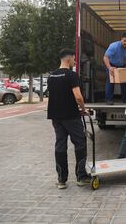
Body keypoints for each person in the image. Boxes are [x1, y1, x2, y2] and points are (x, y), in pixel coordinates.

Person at [47, 49, 91, 189]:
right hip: (71, 116)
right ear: (69, 59)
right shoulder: (71, 75)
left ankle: (61, 180)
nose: (75, 61)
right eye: (74, 59)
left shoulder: (51, 76)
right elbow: (78, 97)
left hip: (56, 117)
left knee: (60, 145)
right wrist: (83, 109)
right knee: (80, 143)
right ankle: (81, 177)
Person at [103, 32, 126, 105]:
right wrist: (109, 67)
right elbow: (105, 57)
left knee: (124, 82)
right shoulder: (113, 46)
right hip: (111, 64)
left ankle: (125, 99)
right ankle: (109, 99)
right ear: (121, 39)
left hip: (121, 65)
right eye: (124, 41)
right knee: (110, 81)